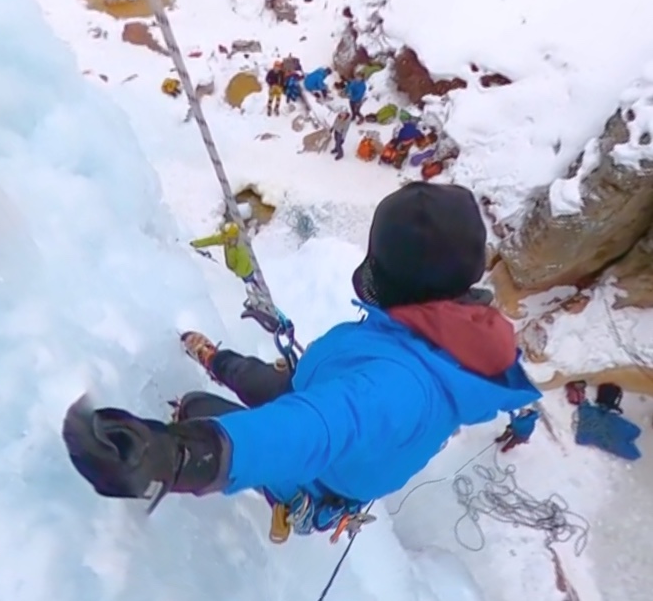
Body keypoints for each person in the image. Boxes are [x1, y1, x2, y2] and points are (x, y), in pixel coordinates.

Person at [62, 182, 541, 540]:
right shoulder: (449, 336)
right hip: (327, 401)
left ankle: (203, 407)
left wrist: (176, 454)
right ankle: (219, 358)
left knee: (198, 408)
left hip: (313, 478)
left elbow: (314, 428)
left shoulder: (397, 388)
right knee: (257, 380)